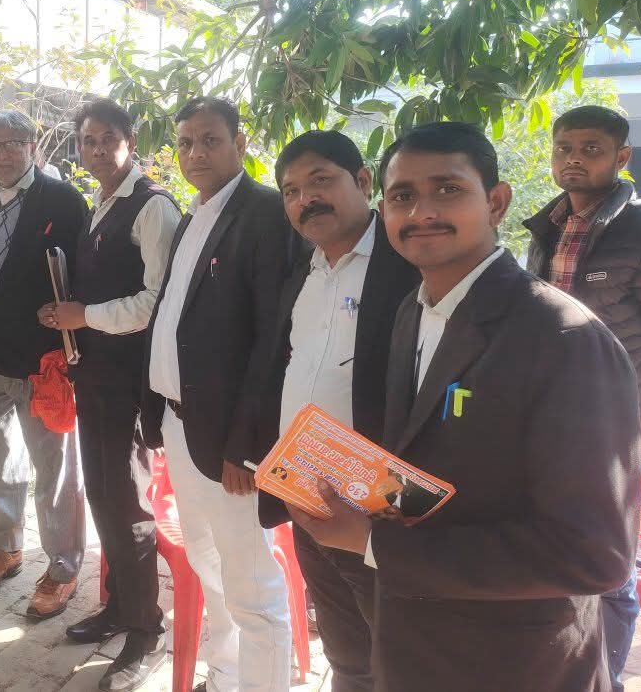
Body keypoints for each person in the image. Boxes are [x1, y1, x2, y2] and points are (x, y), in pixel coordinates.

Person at [291, 121, 641, 692]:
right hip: (414, 642)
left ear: (496, 202)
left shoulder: (563, 338)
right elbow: (423, 472)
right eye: (403, 196)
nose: (422, 211)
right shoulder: (412, 312)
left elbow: (593, 555)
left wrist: (372, 543)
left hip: (513, 661)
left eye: (448, 189)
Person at [142, 97, 295, 692]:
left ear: (240, 143)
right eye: (185, 143)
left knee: (253, 583)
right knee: (207, 558)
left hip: (230, 438)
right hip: (182, 425)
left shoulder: (264, 214)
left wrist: (247, 447)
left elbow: (271, 340)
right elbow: (174, 314)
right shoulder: (194, 215)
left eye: (209, 140)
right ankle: (229, 671)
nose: (195, 153)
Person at [258, 131, 419, 692]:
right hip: (308, 496)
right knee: (346, 650)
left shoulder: (409, 265)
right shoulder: (304, 271)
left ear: (364, 181)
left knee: (400, 654)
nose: (306, 199)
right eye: (291, 191)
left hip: (377, 507)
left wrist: (394, 506)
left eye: (320, 181)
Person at [37, 100, 181, 691]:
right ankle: (121, 606)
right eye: (88, 141)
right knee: (100, 493)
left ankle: (147, 629)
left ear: (130, 142)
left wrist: (85, 315)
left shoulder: (152, 207)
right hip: (93, 376)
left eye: (108, 139)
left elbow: (157, 301)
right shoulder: (102, 203)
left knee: (129, 503)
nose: (97, 150)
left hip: (130, 383)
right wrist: (66, 314)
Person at [522, 105, 641, 692]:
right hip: (549, 416)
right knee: (555, 546)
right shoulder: (548, 225)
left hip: (617, 425)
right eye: (564, 148)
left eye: (591, 149)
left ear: (621, 157)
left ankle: (607, 678)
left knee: (609, 562)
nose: (573, 159)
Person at [0, 110, 89, 619]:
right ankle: (5, 547)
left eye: (12, 143)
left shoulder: (63, 200)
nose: (1, 152)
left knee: (54, 468)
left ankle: (63, 565)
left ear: (33, 147)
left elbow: (84, 274)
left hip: (44, 363)